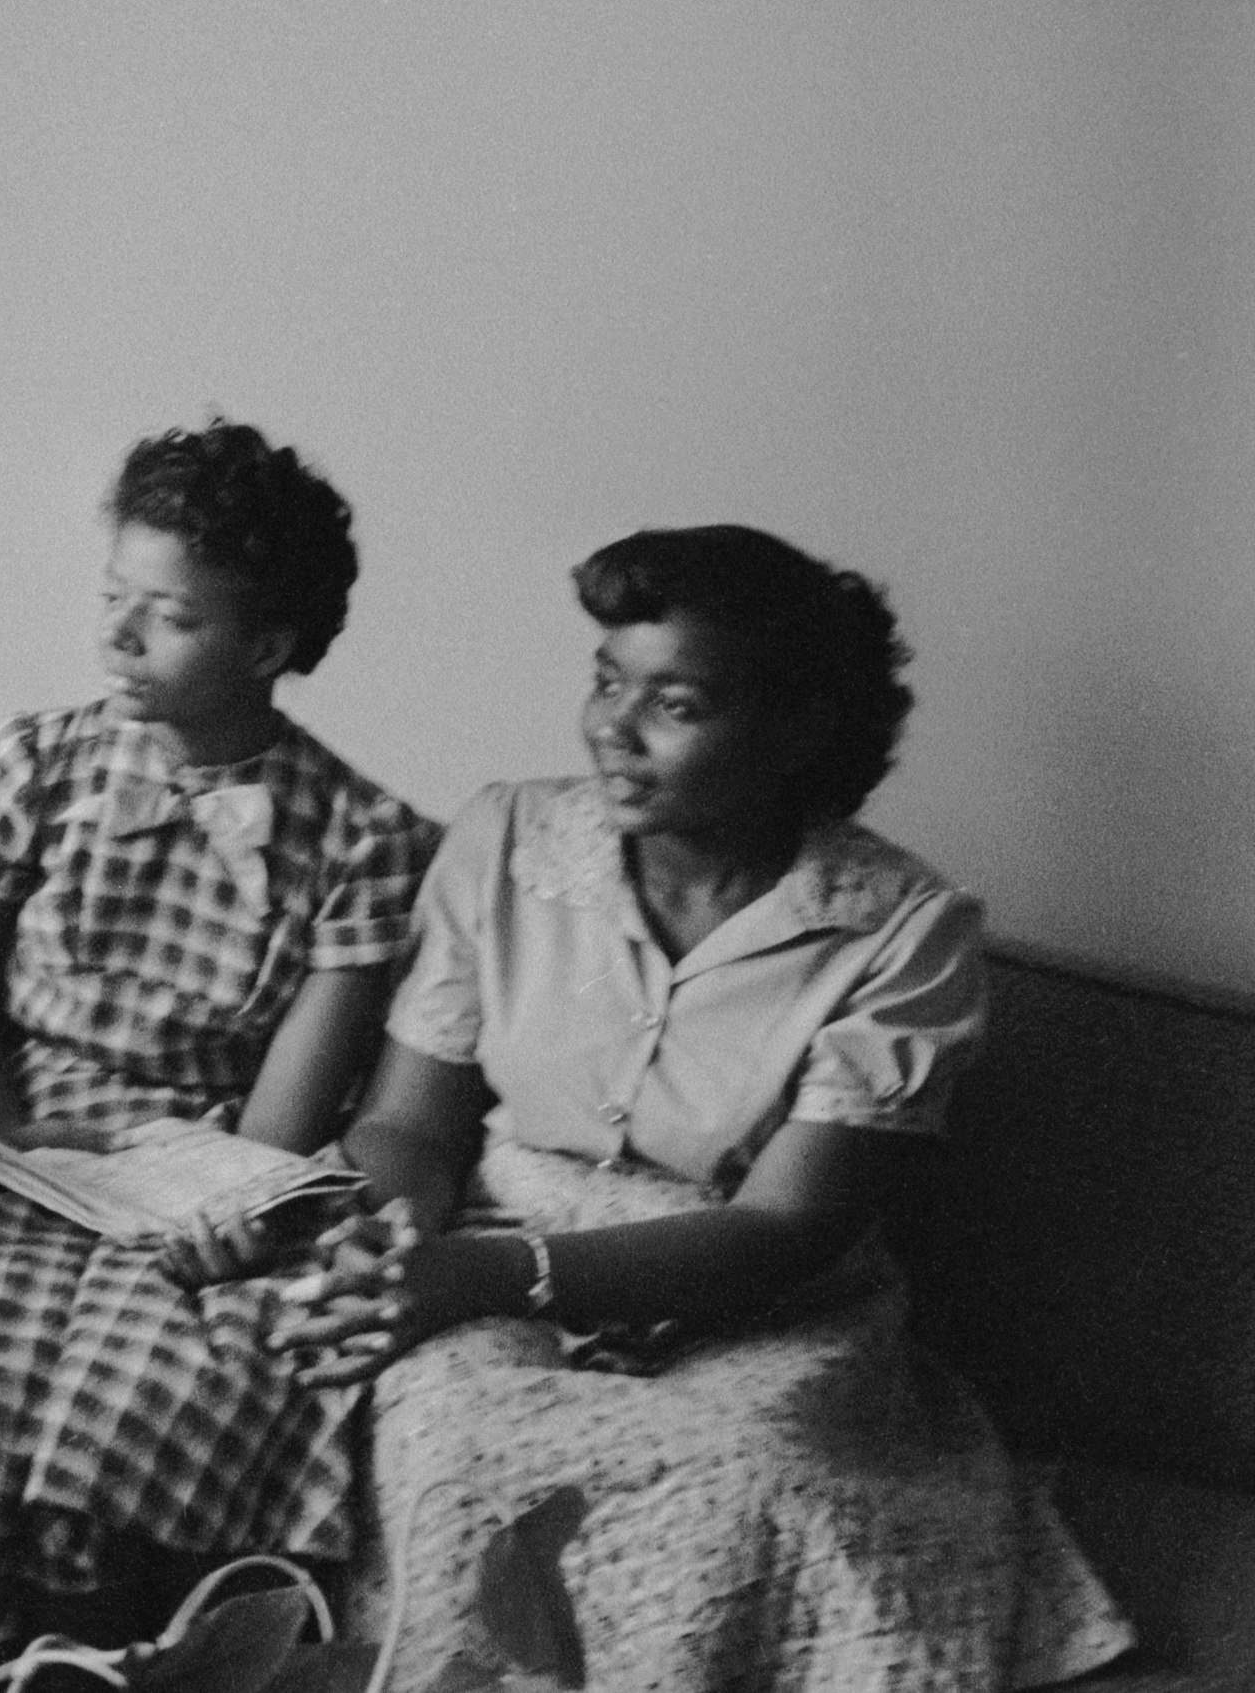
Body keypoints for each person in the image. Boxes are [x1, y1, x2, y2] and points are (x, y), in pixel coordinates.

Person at [271, 526, 1130, 1692]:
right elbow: (411, 1123)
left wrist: (480, 1275)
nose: (613, 728)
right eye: (606, 681)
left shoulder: (904, 929)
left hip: (758, 1298)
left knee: (751, 1469)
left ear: (795, 732)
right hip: (482, 1242)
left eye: (674, 703)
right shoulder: (505, 840)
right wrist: (395, 1231)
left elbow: (786, 1230)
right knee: (457, 1439)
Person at [0, 421, 436, 1666]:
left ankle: (108, 1650)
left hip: (215, 1165)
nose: (116, 635)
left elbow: (291, 1105)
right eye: (114, 597)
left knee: (159, 1360)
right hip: (26, 1127)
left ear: (266, 645)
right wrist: (4, 1121)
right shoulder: (43, 761)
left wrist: (224, 1212)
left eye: (164, 617)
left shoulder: (358, 833)